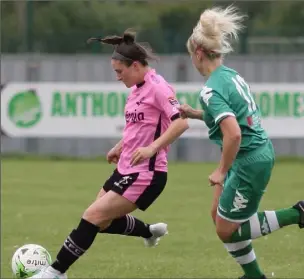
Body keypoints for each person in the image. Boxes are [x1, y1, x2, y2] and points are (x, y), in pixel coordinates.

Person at [179, 5, 304, 279]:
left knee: (226, 229)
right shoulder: (232, 76)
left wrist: (221, 170)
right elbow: (237, 119)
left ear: (199, 52)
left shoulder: (210, 89)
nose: (192, 62)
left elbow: (233, 133)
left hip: (247, 160)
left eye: (191, 56)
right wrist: (195, 114)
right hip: (251, 153)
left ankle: (297, 214)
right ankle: (253, 275)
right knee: (218, 215)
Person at [31, 29, 189, 279]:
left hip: (147, 173)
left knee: (93, 216)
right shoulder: (136, 89)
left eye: (119, 71)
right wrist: (121, 145)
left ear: (135, 65)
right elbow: (139, 128)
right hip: (126, 168)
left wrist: (151, 148)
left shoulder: (158, 87)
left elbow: (181, 123)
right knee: (101, 221)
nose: (117, 77)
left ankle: (55, 272)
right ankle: (149, 232)